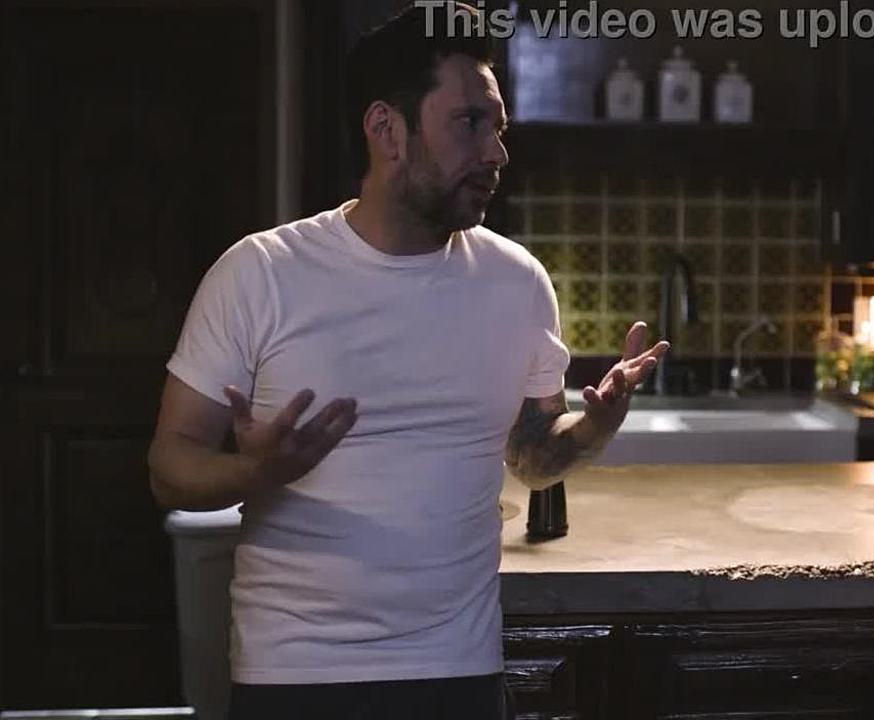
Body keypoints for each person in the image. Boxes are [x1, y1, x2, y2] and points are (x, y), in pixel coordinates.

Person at [147, 4, 667, 718]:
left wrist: (593, 428)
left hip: (458, 668)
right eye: (469, 123)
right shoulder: (260, 274)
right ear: (386, 129)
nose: (496, 153)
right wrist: (254, 471)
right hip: (294, 674)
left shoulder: (516, 282)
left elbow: (532, 457)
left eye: (499, 127)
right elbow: (169, 468)